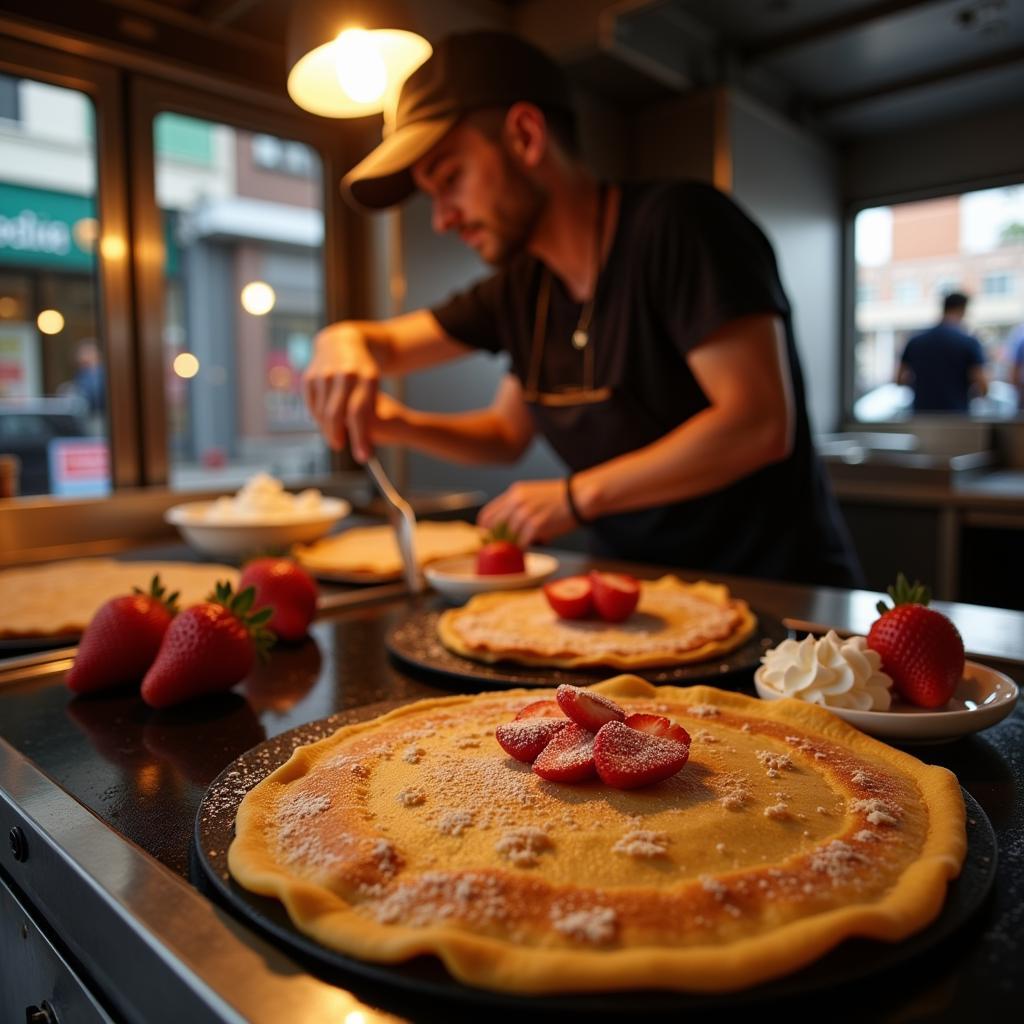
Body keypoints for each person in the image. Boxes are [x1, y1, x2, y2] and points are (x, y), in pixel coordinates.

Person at [303, 31, 861, 587]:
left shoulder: (681, 226)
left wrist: (576, 496)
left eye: (452, 180)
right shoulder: (523, 289)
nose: (444, 219)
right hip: (630, 591)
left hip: (772, 592)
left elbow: (757, 422)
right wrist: (366, 382)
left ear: (525, 137)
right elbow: (502, 431)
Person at [897, 292, 988, 413]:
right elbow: (982, 385)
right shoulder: (968, 342)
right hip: (956, 416)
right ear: (962, 310)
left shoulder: (915, 341)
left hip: (921, 415)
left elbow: (899, 379)